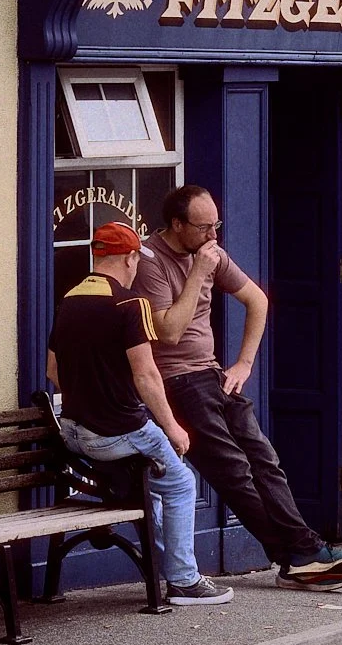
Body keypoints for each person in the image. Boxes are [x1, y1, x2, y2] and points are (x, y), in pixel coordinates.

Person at [136, 185, 342, 590]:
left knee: (264, 458)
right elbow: (169, 332)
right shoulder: (150, 261)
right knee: (233, 471)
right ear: (177, 224)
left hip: (212, 375)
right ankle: (299, 555)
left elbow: (258, 300)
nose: (213, 237)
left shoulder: (210, 254)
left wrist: (244, 362)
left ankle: (303, 553)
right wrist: (198, 274)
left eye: (217, 226)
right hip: (175, 382)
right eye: (204, 228)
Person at [47, 221, 233, 606]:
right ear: (130, 258)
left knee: (160, 489)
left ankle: (172, 568)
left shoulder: (69, 301)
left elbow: (53, 373)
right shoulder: (131, 305)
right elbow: (147, 376)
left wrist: (90, 394)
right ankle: (183, 580)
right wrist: (174, 428)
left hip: (76, 432)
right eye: (135, 260)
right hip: (120, 430)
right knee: (182, 484)